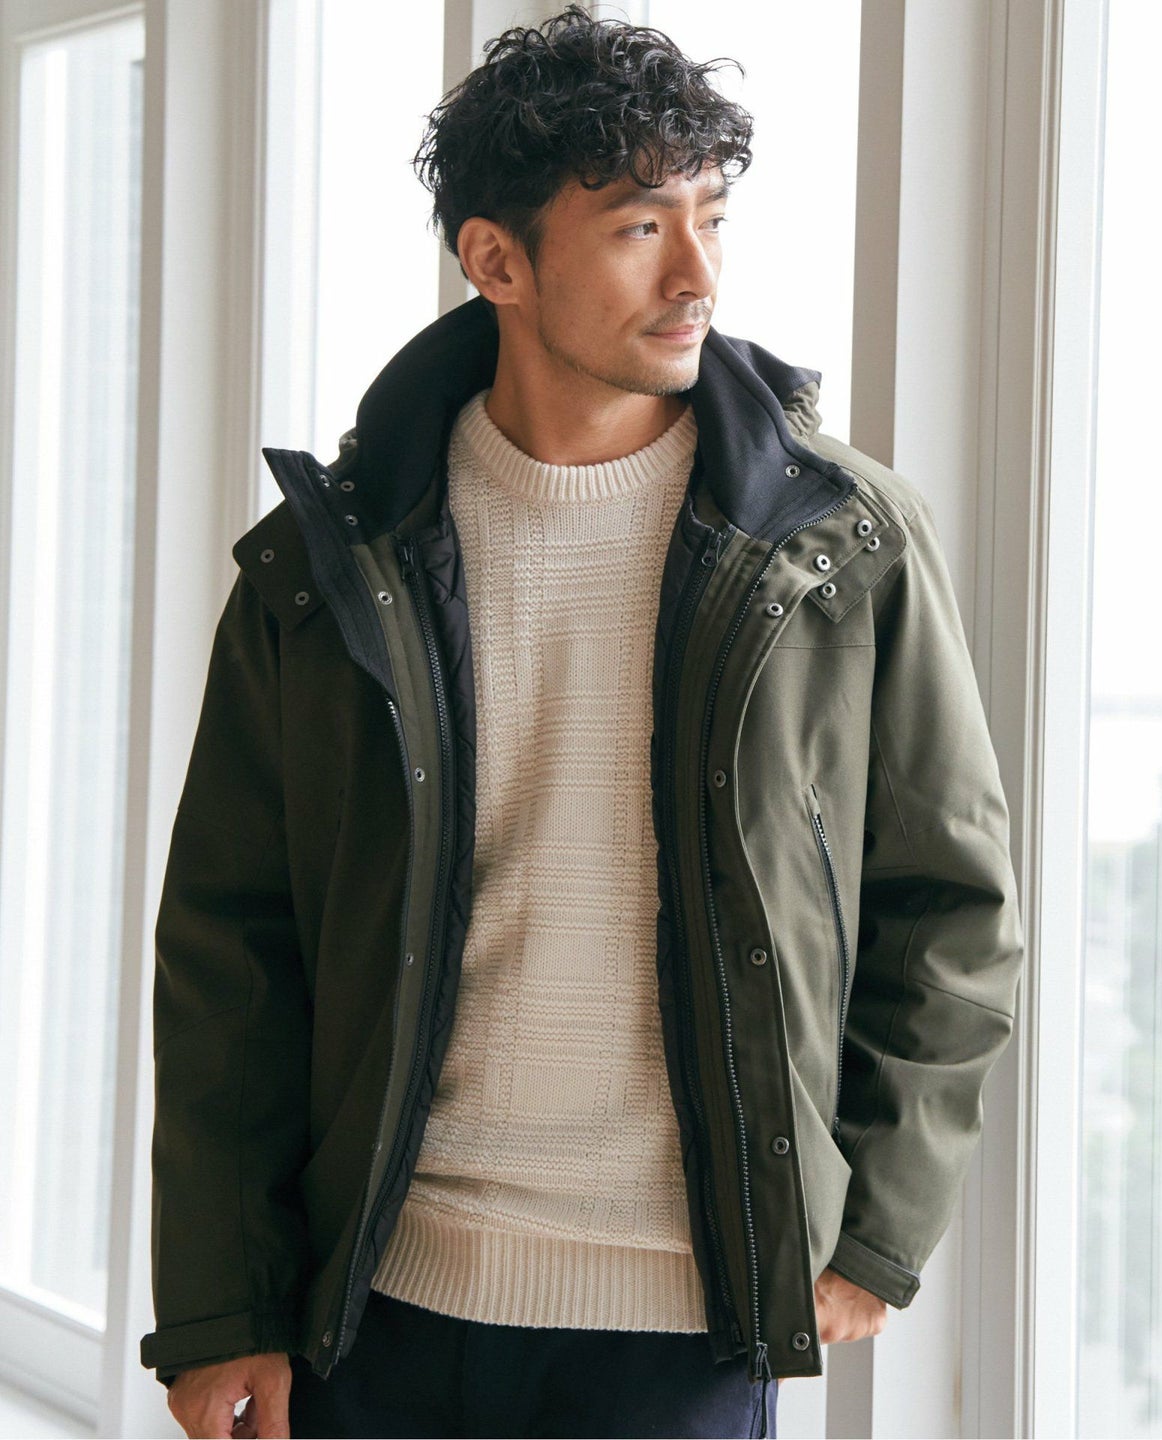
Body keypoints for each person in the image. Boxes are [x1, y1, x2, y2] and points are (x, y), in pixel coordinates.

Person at [139, 8, 1024, 1438]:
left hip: (684, 1322)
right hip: (380, 1302)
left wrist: (877, 1230)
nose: (697, 276)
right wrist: (224, 1305)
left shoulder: (840, 544)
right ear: (496, 260)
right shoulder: (328, 561)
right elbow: (233, 952)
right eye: (639, 228)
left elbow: (951, 906)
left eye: (711, 218)